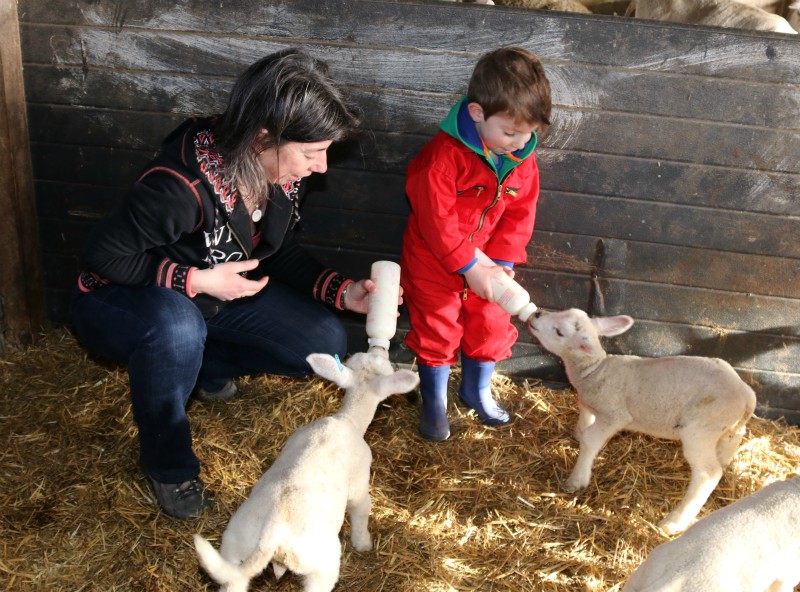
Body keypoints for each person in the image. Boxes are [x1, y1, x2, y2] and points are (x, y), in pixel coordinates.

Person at [71, 48, 386, 519]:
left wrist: (341, 291)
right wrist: (194, 278)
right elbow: (105, 256)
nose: (321, 167)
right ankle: (170, 467)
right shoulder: (180, 187)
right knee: (177, 328)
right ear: (263, 137)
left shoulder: (277, 171)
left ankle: (204, 365)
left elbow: (276, 253)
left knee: (323, 340)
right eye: (312, 153)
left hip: (212, 293)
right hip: (122, 297)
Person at [399, 46, 552, 442]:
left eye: (529, 133)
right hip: (436, 257)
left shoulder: (521, 159)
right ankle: (434, 399)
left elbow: (521, 213)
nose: (520, 143)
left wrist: (501, 261)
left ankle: (476, 389)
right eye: (512, 132)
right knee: (437, 324)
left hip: (489, 258)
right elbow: (436, 220)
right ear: (477, 113)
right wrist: (468, 265)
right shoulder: (442, 157)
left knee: (491, 321)